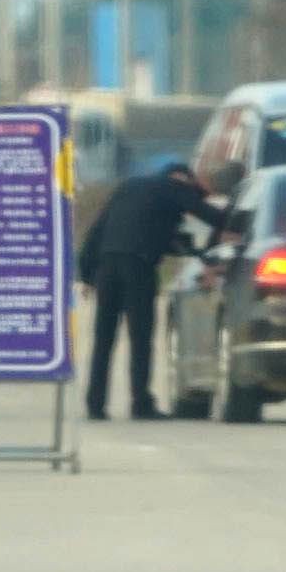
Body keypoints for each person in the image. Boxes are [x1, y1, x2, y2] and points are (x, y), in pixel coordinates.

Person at [74, 155, 215, 420]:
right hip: (138, 266)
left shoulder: (129, 187)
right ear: (182, 178)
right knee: (140, 338)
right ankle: (141, 404)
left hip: (107, 265)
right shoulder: (174, 187)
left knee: (104, 339)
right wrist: (237, 222)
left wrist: (86, 274)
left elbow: (98, 229)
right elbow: (209, 215)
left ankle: (95, 404)